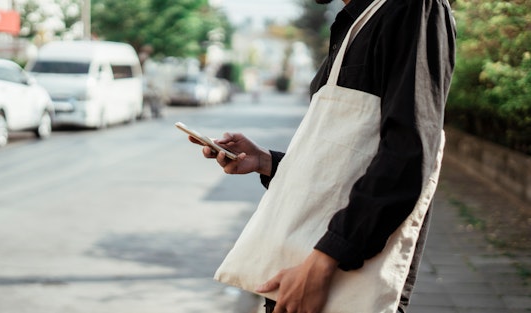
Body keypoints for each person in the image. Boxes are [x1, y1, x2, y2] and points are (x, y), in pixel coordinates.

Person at [190, 0, 455, 312]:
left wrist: (323, 262)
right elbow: (344, 161)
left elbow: (407, 157)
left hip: (331, 279)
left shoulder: (412, 8)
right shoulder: (353, 25)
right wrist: (266, 161)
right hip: (299, 275)